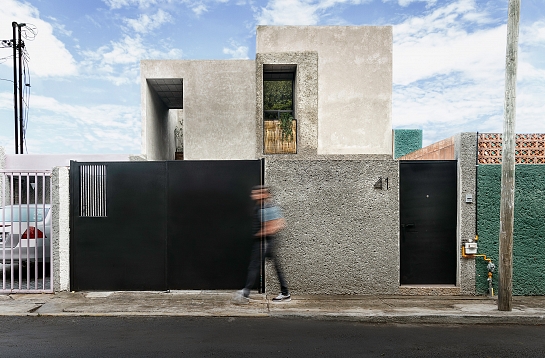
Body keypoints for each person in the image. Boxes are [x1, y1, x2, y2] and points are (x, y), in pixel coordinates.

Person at [233, 185, 290, 304]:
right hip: (265, 241)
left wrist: (259, 233)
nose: (253, 195)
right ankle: (285, 292)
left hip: (264, 242)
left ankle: (246, 293)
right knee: (275, 267)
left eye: (257, 193)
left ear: (264, 194)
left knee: (254, 266)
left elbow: (279, 224)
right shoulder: (262, 206)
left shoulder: (267, 207)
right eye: (253, 193)